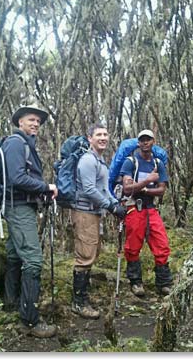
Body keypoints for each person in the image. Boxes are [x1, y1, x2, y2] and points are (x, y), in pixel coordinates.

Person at [2, 105, 58, 338]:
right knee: (33, 261)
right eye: (31, 120)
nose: (36, 124)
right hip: (18, 208)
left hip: (20, 206)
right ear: (20, 122)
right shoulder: (16, 143)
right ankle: (29, 321)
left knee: (15, 255)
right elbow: (17, 177)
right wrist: (46, 186)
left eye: (38, 121)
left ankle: (10, 303)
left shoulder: (26, 145)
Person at [71, 123, 126, 319]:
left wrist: (116, 205)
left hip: (95, 214)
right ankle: (78, 303)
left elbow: (104, 190)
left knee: (91, 253)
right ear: (90, 139)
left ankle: (83, 297)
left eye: (105, 134)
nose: (103, 137)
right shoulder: (87, 160)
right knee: (85, 255)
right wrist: (111, 207)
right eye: (98, 135)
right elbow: (88, 189)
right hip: (84, 213)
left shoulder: (100, 161)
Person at [120, 129, 173, 297]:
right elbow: (127, 189)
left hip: (151, 208)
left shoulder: (158, 163)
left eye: (148, 139)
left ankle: (163, 283)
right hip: (134, 207)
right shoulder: (130, 162)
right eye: (142, 139)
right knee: (133, 246)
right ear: (138, 143)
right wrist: (147, 182)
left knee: (161, 244)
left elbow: (161, 190)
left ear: (153, 142)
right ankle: (136, 282)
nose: (145, 142)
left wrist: (144, 189)